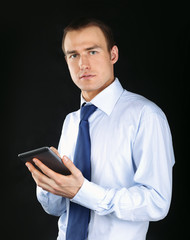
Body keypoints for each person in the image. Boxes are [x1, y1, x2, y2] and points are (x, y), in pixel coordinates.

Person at [26, 18, 175, 240]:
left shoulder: (146, 116)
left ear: (112, 55)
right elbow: (57, 209)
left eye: (92, 52)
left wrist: (82, 191)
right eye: (73, 55)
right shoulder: (71, 121)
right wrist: (49, 184)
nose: (82, 64)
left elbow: (157, 202)